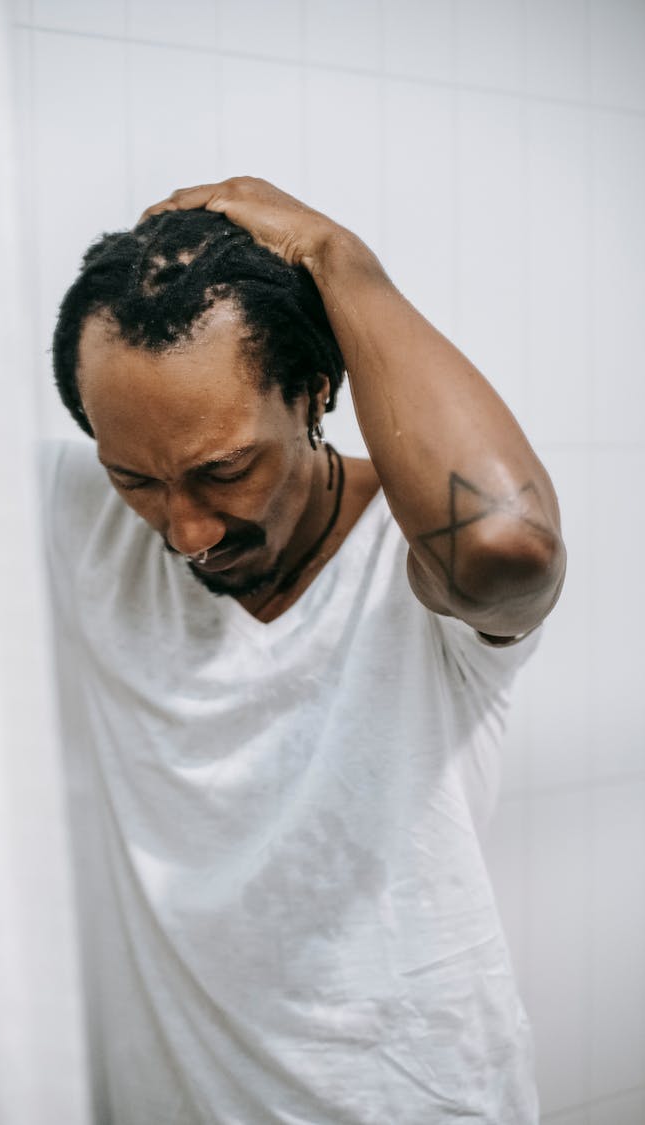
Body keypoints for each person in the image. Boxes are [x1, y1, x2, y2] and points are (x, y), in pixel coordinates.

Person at [43, 177, 565, 1124]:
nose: (186, 528)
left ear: (317, 392)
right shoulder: (80, 517)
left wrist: (341, 261)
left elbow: (505, 545)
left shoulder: (415, 562)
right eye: (136, 478)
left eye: (225, 470)